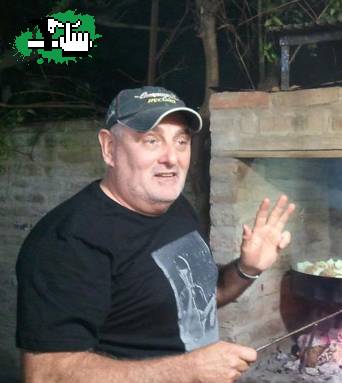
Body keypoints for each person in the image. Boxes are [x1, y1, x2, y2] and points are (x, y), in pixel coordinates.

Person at [15, 86, 295, 383]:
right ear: (109, 148)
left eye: (181, 141)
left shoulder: (176, 209)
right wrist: (187, 372)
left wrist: (246, 269)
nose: (172, 158)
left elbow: (197, 298)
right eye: (151, 140)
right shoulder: (68, 242)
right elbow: (45, 374)